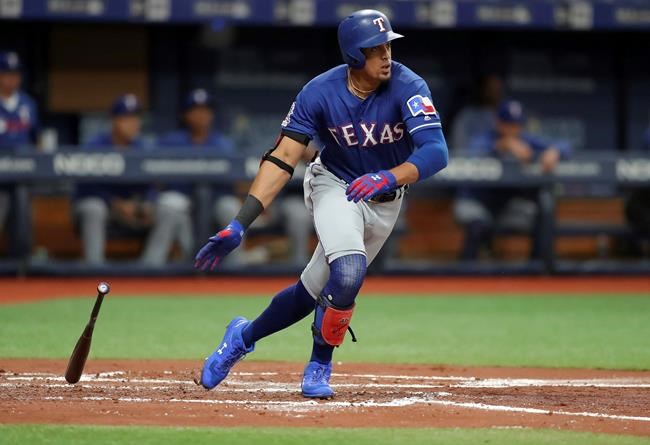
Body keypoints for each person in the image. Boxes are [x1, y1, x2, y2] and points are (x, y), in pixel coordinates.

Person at [194, 10, 448, 398]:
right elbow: (282, 158)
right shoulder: (320, 91)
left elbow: (436, 151)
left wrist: (389, 175)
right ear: (352, 56)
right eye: (374, 49)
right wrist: (241, 222)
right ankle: (320, 365)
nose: (386, 55)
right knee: (347, 273)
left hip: (385, 198)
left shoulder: (409, 85)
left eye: (388, 46)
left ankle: (242, 337)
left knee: (311, 291)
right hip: (336, 185)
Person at [74, 94, 189, 265]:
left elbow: (154, 184)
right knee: (93, 208)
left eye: (136, 117)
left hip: (136, 208)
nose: (134, 123)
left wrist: (146, 204)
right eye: (127, 118)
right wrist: (114, 202)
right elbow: (83, 187)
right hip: (106, 208)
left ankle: (150, 267)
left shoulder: (144, 148)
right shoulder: (94, 146)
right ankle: (94, 268)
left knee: (169, 211)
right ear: (114, 120)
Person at [454, 99, 569, 260]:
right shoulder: (484, 139)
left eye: (516, 125)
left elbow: (565, 145)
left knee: (542, 209)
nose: (513, 130)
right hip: (479, 201)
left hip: (506, 206)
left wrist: (555, 151)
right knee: (476, 226)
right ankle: (465, 274)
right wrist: (503, 145)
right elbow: (472, 152)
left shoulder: (525, 139)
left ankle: (537, 271)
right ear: (498, 122)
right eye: (508, 124)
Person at [0, 51, 38, 238]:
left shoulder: (28, 104)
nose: (11, 79)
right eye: (6, 73)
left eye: (15, 74)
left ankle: (22, 259)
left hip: (23, 171)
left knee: (23, 198)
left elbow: (36, 138)